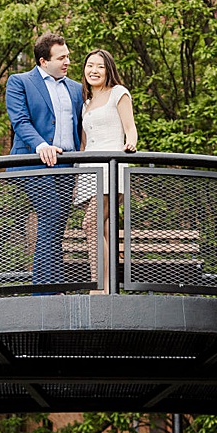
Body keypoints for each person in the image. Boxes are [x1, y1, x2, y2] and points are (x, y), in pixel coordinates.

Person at [5, 32, 84, 287]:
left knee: (57, 226)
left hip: (67, 166)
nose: (67, 62)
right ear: (43, 61)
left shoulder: (76, 88)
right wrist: (41, 145)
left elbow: (83, 125)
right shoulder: (20, 82)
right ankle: (44, 291)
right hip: (35, 164)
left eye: (68, 56)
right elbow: (20, 121)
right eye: (61, 57)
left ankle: (54, 288)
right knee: (50, 215)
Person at [77, 47, 139, 288]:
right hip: (89, 170)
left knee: (90, 223)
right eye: (90, 65)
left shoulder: (118, 93)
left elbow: (130, 127)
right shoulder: (87, 103)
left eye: (100, 66)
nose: (94, 70)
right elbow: (84, 142)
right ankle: (106, 285)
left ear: (108, 70)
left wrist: (130, 143)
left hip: (111, 167)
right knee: (100, 228)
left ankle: (100, 286)